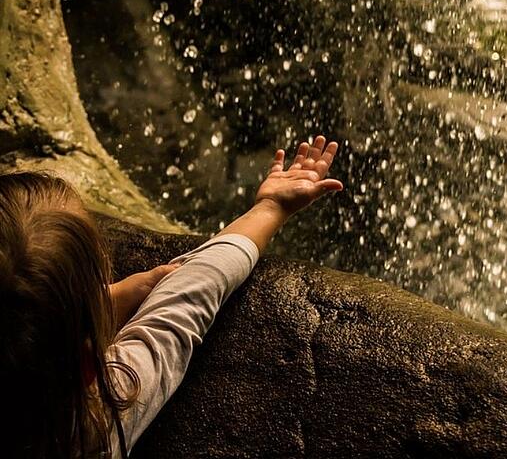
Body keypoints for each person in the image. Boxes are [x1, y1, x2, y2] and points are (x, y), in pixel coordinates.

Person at [0, 135, 343, 458]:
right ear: (90, 366)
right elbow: (193, 289)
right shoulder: (101, 419)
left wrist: (106, 301)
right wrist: (271, 207)